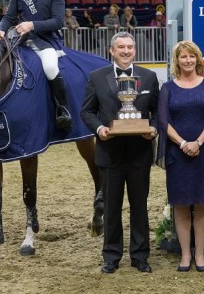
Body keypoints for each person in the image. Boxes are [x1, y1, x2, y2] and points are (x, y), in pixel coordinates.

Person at [81, 31, 159, 274]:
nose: (126, 51)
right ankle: (111, 257)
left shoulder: (148, 77)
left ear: (135, 51)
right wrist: (99, 128)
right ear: (111, 51)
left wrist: (154, 129)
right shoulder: (96, 77)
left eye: (130, 47)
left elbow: (157, 112)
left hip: (140, 152)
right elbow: (87, 111)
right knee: (112, 207)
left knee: (139, 206)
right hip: (109, 152)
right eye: (121, 47)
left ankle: (140, 256)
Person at [156, 41, 204, 272]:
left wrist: (199, 142)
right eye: (183, 57)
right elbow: (163, 121)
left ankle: (200, 255)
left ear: (197, 59)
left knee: (203, 204)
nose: (187, 60)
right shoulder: (167, 89)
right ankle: (185, 255)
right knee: (181, 205)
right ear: (177, 60)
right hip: (178, 154)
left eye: (191, 56)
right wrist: (184, 143)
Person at [0, 0, 72, 130]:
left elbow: (59, 21)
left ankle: (63, 109)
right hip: (20, 40)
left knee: (51, 67)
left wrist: (32, 25)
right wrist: (0, 29)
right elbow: (9, 17)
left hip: (45, 40)